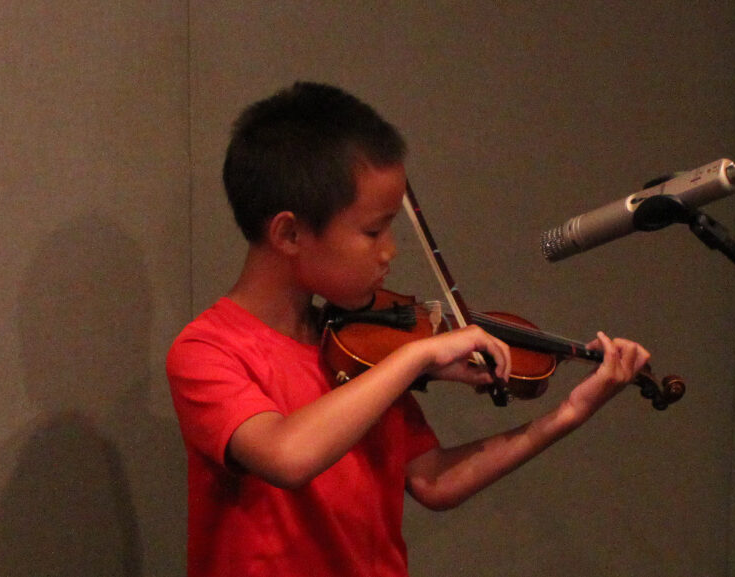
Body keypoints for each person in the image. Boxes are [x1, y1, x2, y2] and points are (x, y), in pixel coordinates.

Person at [166, 81, 650, 577]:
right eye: (373, 231)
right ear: (290, 233)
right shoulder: (207, 352)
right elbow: (287, 455)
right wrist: (417, 358)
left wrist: (566, 415)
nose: (390, 251)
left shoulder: (356, 346)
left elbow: (433, 481)